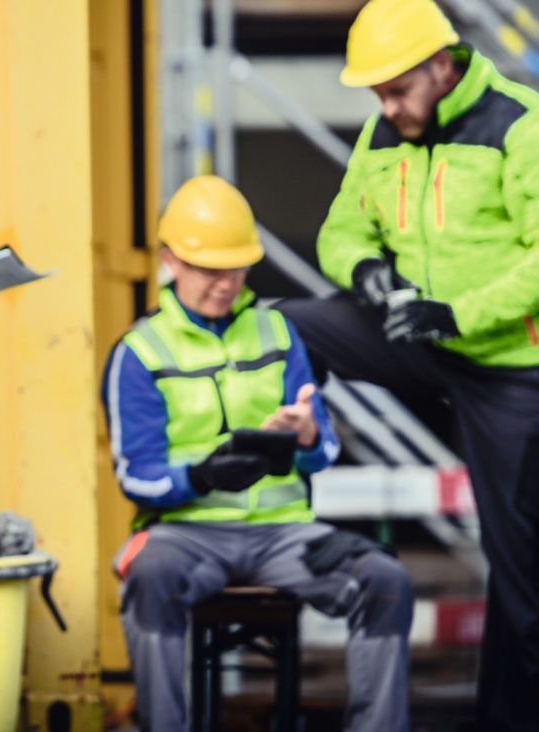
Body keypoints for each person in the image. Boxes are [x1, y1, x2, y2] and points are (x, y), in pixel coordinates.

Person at [273, 0, 539, 726]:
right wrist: (366, 274)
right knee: (293, 326)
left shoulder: (520, 123)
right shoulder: (387, 130)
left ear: (441, 65)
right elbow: (341, 228)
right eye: (376, 96)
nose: (385, 107)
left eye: (395, 91)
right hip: (415, 332)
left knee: (520, 573)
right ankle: (269, 475)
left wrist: (457, 312)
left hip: (511, 365)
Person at [104, 176, 412, 731]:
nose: (225, 284)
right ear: (171, 261)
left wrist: (307, 438)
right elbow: (137, 476)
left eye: (237, 268)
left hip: (284, 534)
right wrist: (199, 477)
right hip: (186, 536)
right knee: (150, 577)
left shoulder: (280, 333)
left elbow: (325, 452)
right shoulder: (139, 353)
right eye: (209, 270)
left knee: (383, 580)